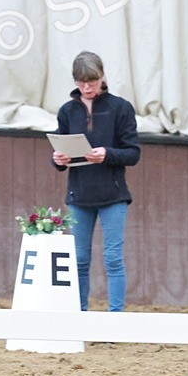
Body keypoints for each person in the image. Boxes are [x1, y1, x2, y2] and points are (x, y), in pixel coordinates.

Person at [52, 51, 141, 311]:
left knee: (113, 259)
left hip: (113, 197)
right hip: (79, 197)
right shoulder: (67, 111)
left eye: (92, 82)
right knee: (79, 260)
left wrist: (107, 154)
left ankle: (115, 317)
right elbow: (57, 153)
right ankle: (80, 315)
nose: (87, 88)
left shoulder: (120, 108)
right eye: (81, 84)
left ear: (102, 78)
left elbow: (133, 153)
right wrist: (58, 159)